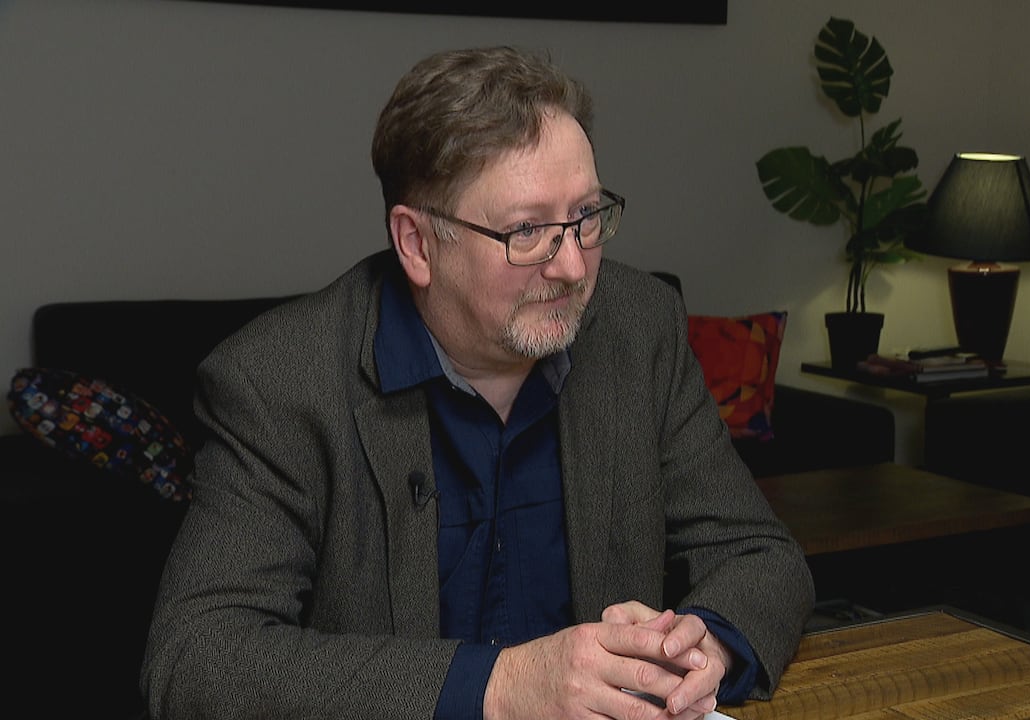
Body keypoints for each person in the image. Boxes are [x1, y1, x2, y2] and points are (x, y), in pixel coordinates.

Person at [141, 45, 813, 720]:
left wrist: (711, 647)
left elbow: (760, 555)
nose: (574, 268)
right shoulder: (279, 381)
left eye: (586, 217)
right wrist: (500, 685)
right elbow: (198, 657)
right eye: (527, 231)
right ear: (418, 244)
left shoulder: (639, 330)